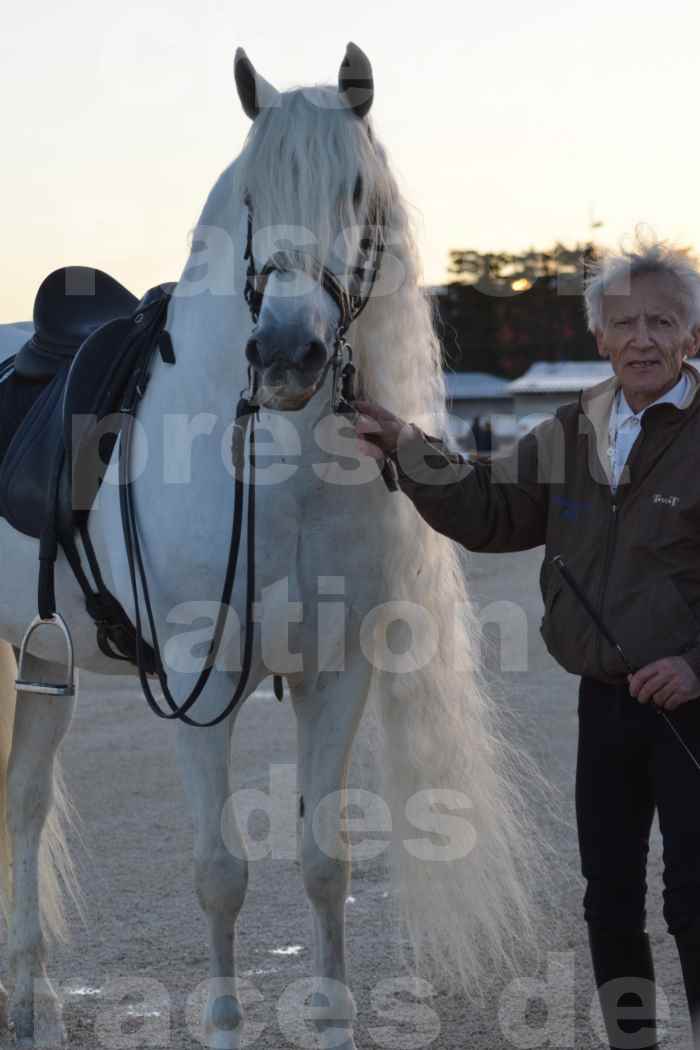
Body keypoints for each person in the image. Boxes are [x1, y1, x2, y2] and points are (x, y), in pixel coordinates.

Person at [353, 238, 700, 1049]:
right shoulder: (571, 429)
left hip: (691, 709)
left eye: (663, 321)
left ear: (693, 336)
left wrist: (695, 664)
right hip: (607, 701)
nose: (642, 338)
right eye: (625, 323)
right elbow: (492, 509)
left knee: (695, 894)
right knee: (607, 894)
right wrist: (408, 447)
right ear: (600, 338)